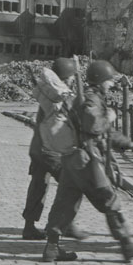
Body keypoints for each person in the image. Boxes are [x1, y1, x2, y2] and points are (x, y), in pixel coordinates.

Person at [41, 60, 133, 263]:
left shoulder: (86, 97)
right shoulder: (92, 99)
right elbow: (94, 126)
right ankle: (127, 244)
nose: (112, 84)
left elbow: (103, 132)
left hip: (72, 159)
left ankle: (51, 247)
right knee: (109, 199)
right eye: (109, 80)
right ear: (100, 81)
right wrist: (109, 117)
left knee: (65, 203)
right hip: (86, 160)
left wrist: (128, 142)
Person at [22, 58, 86, 241]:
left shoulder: (49, 92)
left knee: (38, 185)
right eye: (72, 76)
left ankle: (29, 226)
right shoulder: (60, 95)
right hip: (51, 150)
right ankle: (66, 225)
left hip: (38, 147)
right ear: (66, 77)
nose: (73, 79)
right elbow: (77, 110)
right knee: (72, 185)